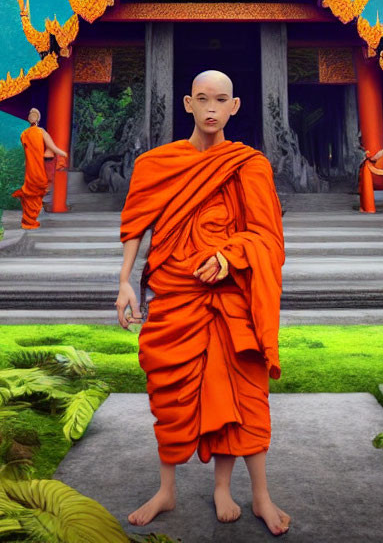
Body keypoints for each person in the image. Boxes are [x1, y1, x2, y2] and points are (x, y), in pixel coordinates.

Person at [115, 70, 291, 536]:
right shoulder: (157, 164)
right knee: (169, 392)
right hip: (174, 293)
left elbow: (268, 238)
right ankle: (166, 490)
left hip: (229, 297)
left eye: (221, 100)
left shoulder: (249, 165)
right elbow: (136, 224)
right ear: (187, 104)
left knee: (240, 394)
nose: (211, 108)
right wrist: (125, 282)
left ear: (235, 107)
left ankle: (254, 494)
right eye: (202, 99)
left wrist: (231, 258)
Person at [12, 107, 68, 229]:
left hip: (31, 167)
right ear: (37, 119)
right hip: (37, 168)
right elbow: (52, 147)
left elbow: (29, 151)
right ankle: (29, 221)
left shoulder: (24, 134)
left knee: (31, 193)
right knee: (36, 194)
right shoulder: (40, 132)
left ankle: (28, 221)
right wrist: (63, 154)